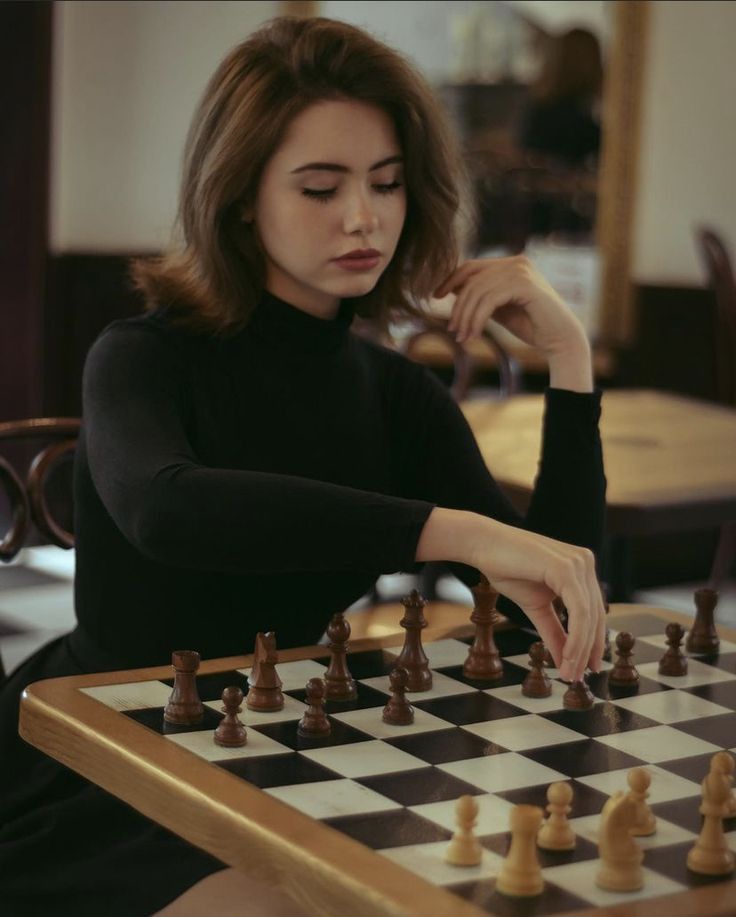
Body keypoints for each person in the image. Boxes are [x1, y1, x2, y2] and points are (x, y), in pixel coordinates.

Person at [0, 16, 606, 916]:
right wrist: (449, 529)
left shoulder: (397, 396)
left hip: (298, 751)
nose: (364, 217)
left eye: (388, 184)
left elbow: (537, 617)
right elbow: (172, 511)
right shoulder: (141, 357)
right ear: (242, 195)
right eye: (321, 187)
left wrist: (570, 358)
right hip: (106, 760)